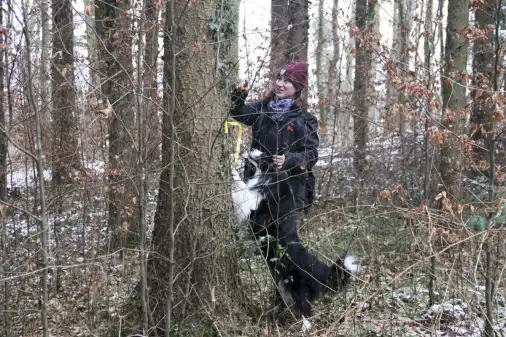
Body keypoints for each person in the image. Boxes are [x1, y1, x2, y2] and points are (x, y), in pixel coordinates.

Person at [230, 61, 319, 214]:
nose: (280, 84)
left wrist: (288, 160)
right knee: (257, 235)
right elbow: (238, 112)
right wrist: (239, 96)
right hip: (256, 186)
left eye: (287, 81)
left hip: (288, 190)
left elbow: (311, 154)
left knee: (283, 236)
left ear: (297, 88)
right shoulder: (262, 109)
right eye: (279, 78)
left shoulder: (305, 119)